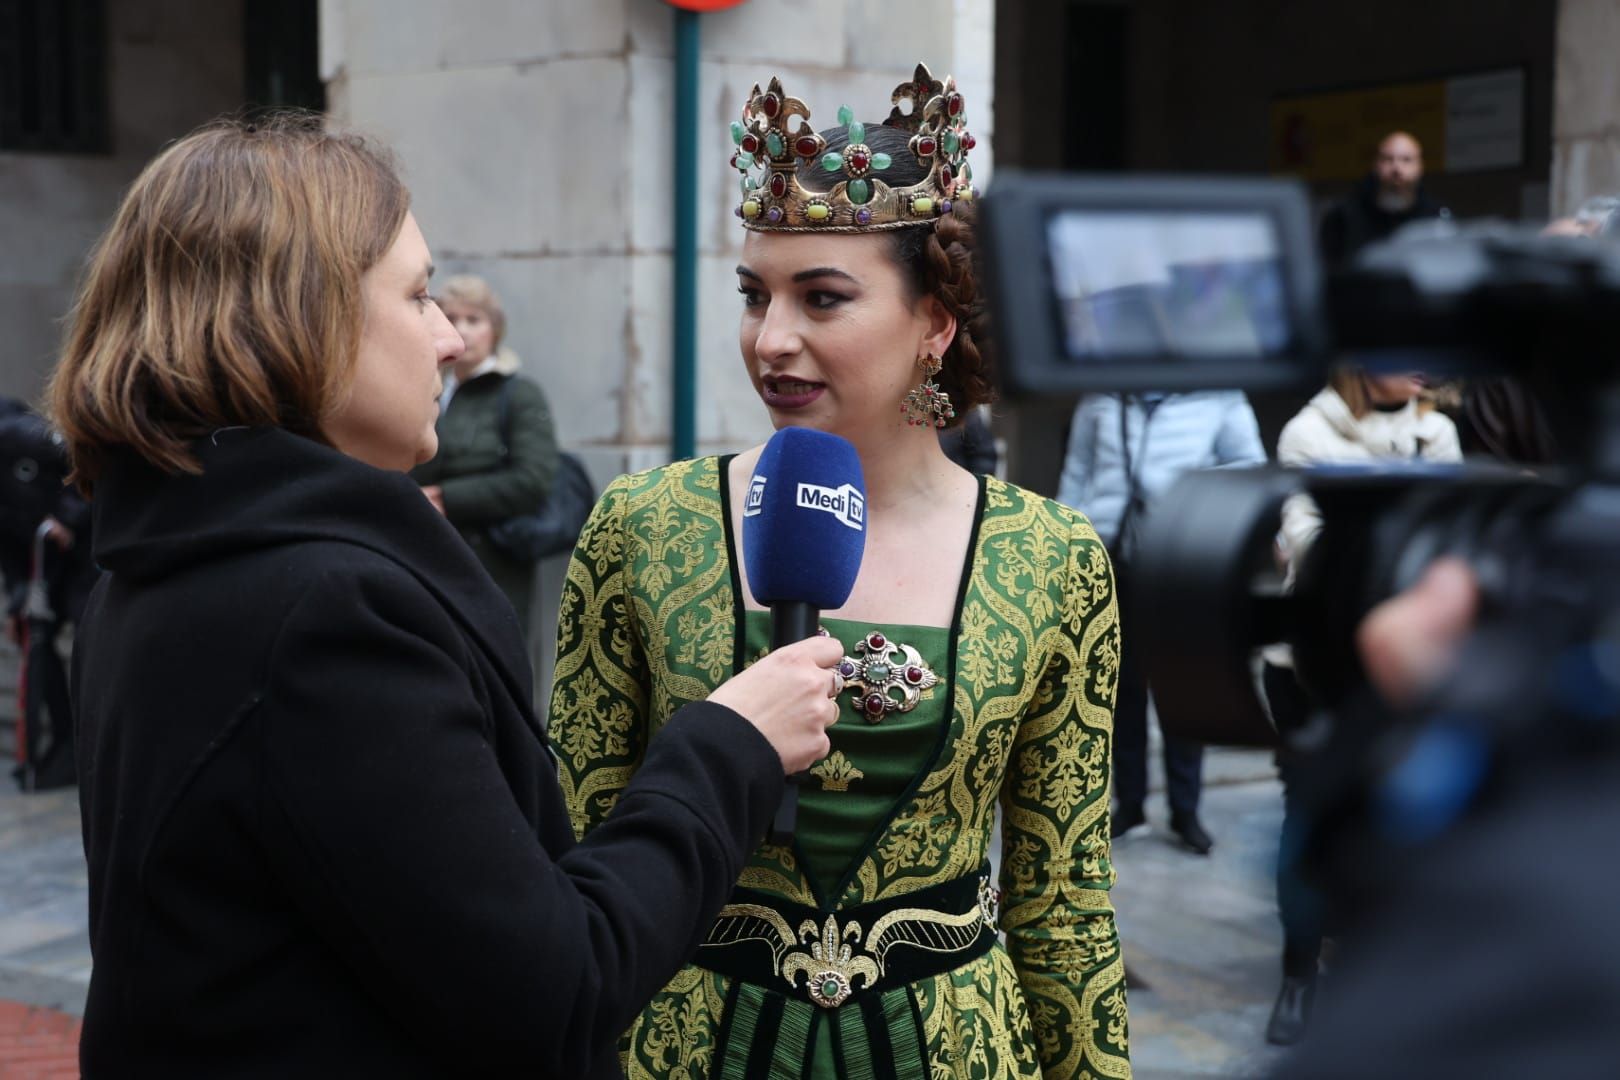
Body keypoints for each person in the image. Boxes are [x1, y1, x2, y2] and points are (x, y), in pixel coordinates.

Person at [49, 113, 848, 1078]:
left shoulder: (164, 561)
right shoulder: (324, 617)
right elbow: (556, 988)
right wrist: (730, 747)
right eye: (418, 294)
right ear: (298, 316)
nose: (445, 339)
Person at [549, 65, 1130, 1079]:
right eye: (754, 296)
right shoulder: (641, 529)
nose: (771, 341)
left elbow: (1065, 900)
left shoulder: (1054, 560)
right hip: (685, 1051)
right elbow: (572, 852)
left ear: (935, 325)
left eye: (822, 298)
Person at [1261, 366, 1461, 1046]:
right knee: (1307, 811)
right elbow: (1306, 542)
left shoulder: (1437, 432)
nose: (1418, 364)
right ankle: (1298, 974)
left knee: (1404, 809)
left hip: (1404, 664)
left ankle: (1384, 965)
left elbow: (1455, 546)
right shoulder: (1309, 430)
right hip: (1309, 664)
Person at [1058, 390, 1266, 854]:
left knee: (1182, 686)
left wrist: (1185, 485)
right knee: (1119, 687)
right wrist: (1065, 542)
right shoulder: (1101, 398)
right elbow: (1078, 472)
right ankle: (1129, 804)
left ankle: (1185, 809)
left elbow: (1251, 466)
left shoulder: (1218, 397)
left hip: (1182, 556)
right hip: (1109, 557)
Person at [412, 274, 557, 633]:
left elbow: (533, 479)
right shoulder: (428, 390)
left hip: (493, 564)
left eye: (473, 320)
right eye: (452, 318)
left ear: (495, 329)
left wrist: (447, 498)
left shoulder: (517, 394)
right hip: (427, 555)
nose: (461, 329)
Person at [1319, 132, 1447, 268]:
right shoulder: (1343, 218)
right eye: (1388, 159)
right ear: (1376, 165)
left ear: (1420, 167)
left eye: (1406, 160)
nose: (1396, 168)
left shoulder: (1437, 218)